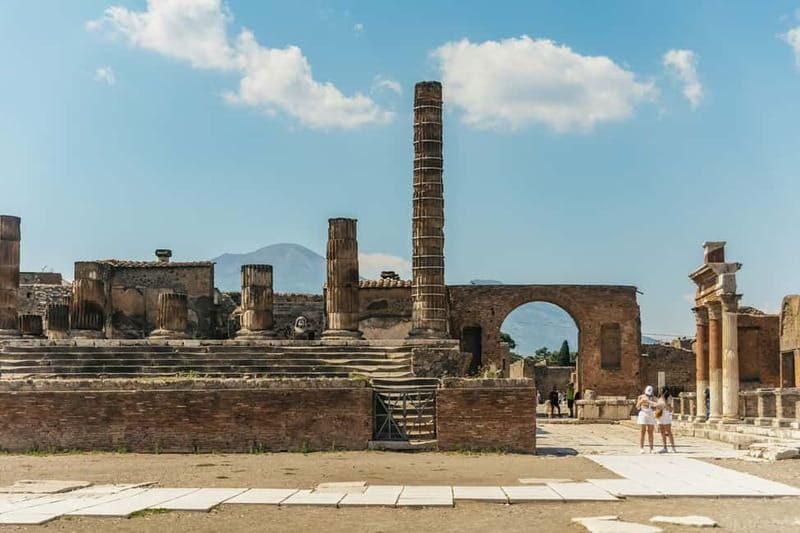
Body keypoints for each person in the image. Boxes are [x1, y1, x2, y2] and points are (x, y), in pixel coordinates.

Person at [636, 385, 657, 453]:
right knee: (642, 431)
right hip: (643, 413)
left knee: (650, 432)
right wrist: (641, 401)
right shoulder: (641, 397)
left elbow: (656, 405)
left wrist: (649, 401)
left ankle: (651, 448)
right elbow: (637, 407)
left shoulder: (653, 397)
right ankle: (641, 448)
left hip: (650, 413)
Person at [656, 387, 677, 453]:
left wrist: (664, 399)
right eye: (660, 391)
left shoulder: (669, 397)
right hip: (660, 415)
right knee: (662, 432)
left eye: (662, 391)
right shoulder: (659, 398)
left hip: (666, 414)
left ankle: (673, 447)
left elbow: (669, 408)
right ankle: (664, 447)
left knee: (668, 431)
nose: (661, 392)